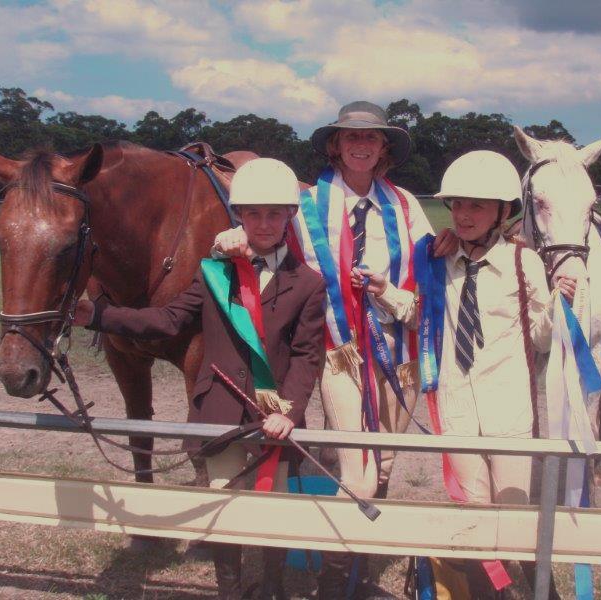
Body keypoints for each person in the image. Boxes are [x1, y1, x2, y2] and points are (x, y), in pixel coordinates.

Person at [214, 100, 456, 597]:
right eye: (351, 138)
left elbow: (427, 276)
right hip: (338, 351)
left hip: (399, 354)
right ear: (336, 146)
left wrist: (400, 284)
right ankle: (331, 581)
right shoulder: (306, 203)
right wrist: (228, 241)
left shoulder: (405, 204)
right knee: (359, 471)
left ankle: (354, 571)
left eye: (371, 138)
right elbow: (267, 241)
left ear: (383, 147)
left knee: (383, 464)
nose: (361, 145)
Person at [73, 158, 326, 600]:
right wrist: (98, 315)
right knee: (220, 502)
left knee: (276, 507)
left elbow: (307, 357)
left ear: (291, 216)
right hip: (220, 408)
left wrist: (290, 412)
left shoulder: (308, 284)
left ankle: (272, 587)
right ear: (239, 217)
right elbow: (168, 320)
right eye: (253, 214)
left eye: (274, 213)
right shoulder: (214, 273)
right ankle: (228, 588)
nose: (263, 223)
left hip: (275, 416)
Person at [359, 150, 575, 597]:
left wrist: (561, 307)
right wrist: (387, 293)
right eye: (457, 204)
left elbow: (539, 336)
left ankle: (540, 590)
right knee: (474, 518)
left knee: (515, 515)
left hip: (509, 411)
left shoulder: (524, 263)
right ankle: (491, 593)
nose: (463, 215)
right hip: (456, 407)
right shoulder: (440, 261)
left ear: (503, 211)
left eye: (476, 205)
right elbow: (424, 316)